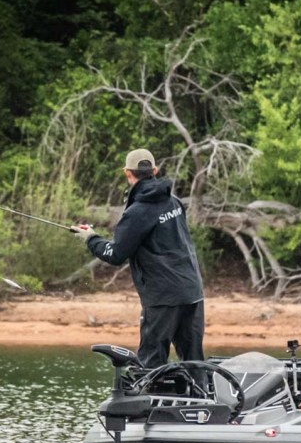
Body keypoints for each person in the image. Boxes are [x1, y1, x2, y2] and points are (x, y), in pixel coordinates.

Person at [71, 149, 205, 368]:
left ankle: (149, 392)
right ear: (154, 170)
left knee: (150, 363)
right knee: (194, 361)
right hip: (192, 291)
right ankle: (199, 390)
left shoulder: (137, 212)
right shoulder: (174, 202)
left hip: (163, 297)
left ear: (127, 173)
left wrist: (90, 238)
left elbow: (116, 254)